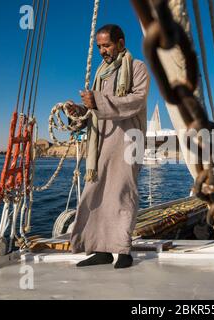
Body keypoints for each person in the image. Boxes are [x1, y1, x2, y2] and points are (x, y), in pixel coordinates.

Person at [67, 24, 150, 269]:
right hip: (101, 142)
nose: (103, 51)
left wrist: (98, 101)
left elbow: (136, 100)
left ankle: (123, 251)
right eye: (99, 46)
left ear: (121, 43)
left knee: (123, 193)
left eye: (107, 45)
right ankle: (100, 250)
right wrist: (80, 110)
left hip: (127, 140)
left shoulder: (137, 68)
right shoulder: (101, 73)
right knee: (95, 193)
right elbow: (96, 110)